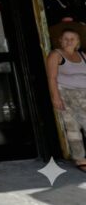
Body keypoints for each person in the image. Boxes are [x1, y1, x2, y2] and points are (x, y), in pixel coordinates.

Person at [46, 28, 86, 172]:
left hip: (84, 95)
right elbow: (52, 78)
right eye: (66, 38)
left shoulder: (83, 55)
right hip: (66, 94)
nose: (69, 41)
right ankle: (80, 159)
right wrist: (55, 97)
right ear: (60, 41)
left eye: (72, 38)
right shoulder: (56, 55)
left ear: (78, 42)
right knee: (73, 127)